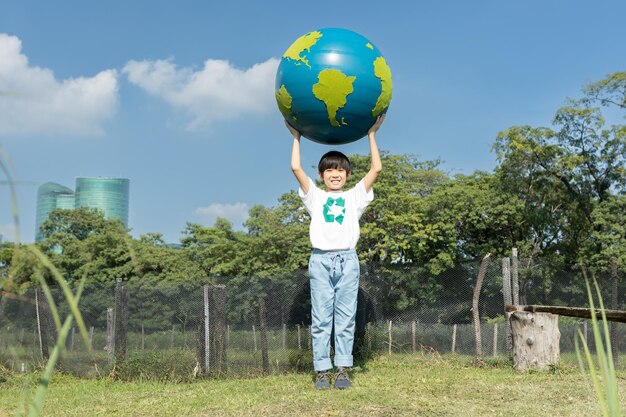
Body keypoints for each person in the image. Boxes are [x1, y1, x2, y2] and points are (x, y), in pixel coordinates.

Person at [286, 115, 384, 389]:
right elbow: (295, 167)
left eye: (340, 170)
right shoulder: (315, 196)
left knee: (345, 318)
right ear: (321, 175)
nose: (335, 174)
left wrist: (371, 134)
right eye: (329, 170)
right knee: (320, 319)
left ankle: (342, 369)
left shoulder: (354, 197)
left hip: (348, 261)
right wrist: (297, 135)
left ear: (348, 175)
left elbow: (376, 168)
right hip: (320, 260)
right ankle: (322, 371)